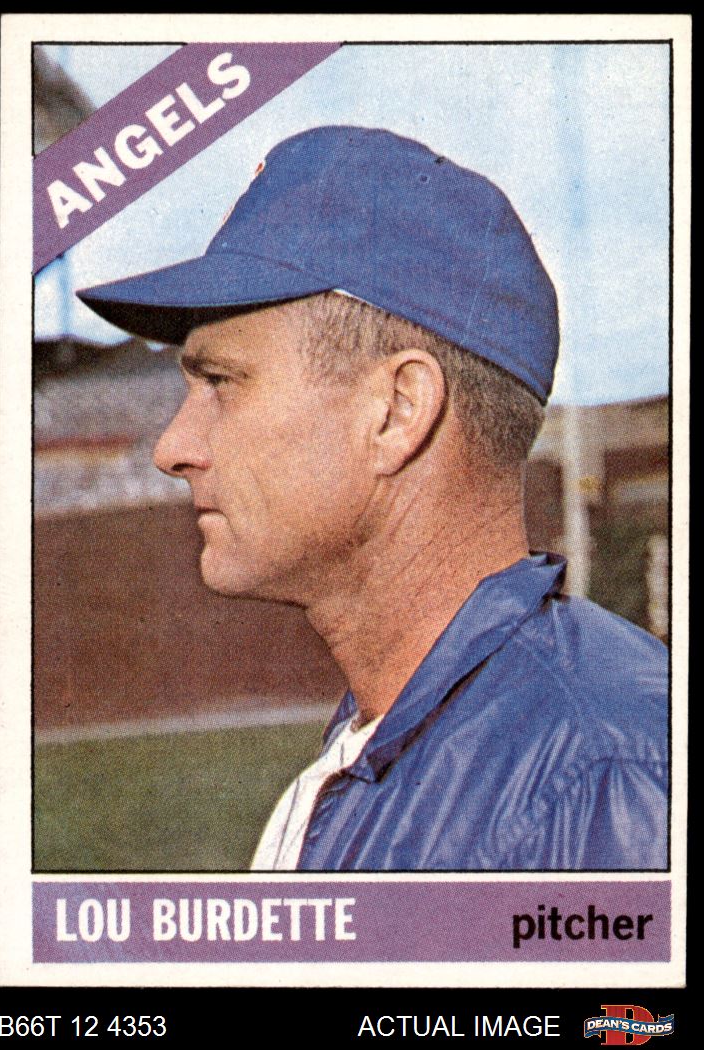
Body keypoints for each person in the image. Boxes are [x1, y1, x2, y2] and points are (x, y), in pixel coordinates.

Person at [78, 125, 668, 871]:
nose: (172, 448)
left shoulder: (602, 777)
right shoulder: (403, 739)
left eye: (221, 382)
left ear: (396, 410)